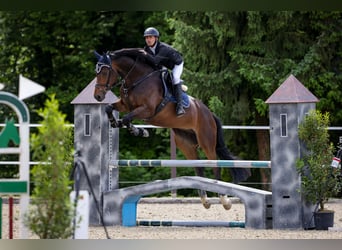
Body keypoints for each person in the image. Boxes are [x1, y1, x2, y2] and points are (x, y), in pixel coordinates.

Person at [143, 27, 185, 116]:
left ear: (156, 38)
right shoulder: (147, 49)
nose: (148, 40)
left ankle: (180, 106)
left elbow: (154, 61)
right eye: (146, 38)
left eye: (150, 37)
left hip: (176, 64)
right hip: (164, 64)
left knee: (175, 78)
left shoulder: (163, 48)